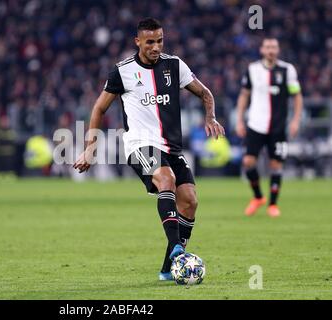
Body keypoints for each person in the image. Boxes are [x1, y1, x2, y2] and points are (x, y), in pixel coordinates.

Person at [73, 18, 225, 281]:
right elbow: (98, 108)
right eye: (150, 42)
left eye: (160, 40)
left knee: (189, 202)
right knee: (167, 179)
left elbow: (205, 93)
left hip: (171, 147)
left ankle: (168, 268)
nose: (156, 47)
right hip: (139, 144)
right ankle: (178, 250)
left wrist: (210, 117)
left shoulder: (175, 65)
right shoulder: (122, 72)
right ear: (138, 42)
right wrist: (90, 149)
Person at [235, 38, 303, 217]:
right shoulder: (252, 69)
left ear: (278, 50)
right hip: (255, 124)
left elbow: (297, 96)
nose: (271, 50)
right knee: (248, 162)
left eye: (274, 47)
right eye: (267, 47)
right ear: (261, 50)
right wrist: (239, 120)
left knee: (276, 164)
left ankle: (273, 204)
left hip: (278, 126)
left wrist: (295, 121)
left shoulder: (287, 70)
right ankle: (258, 197)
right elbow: (244, 95)